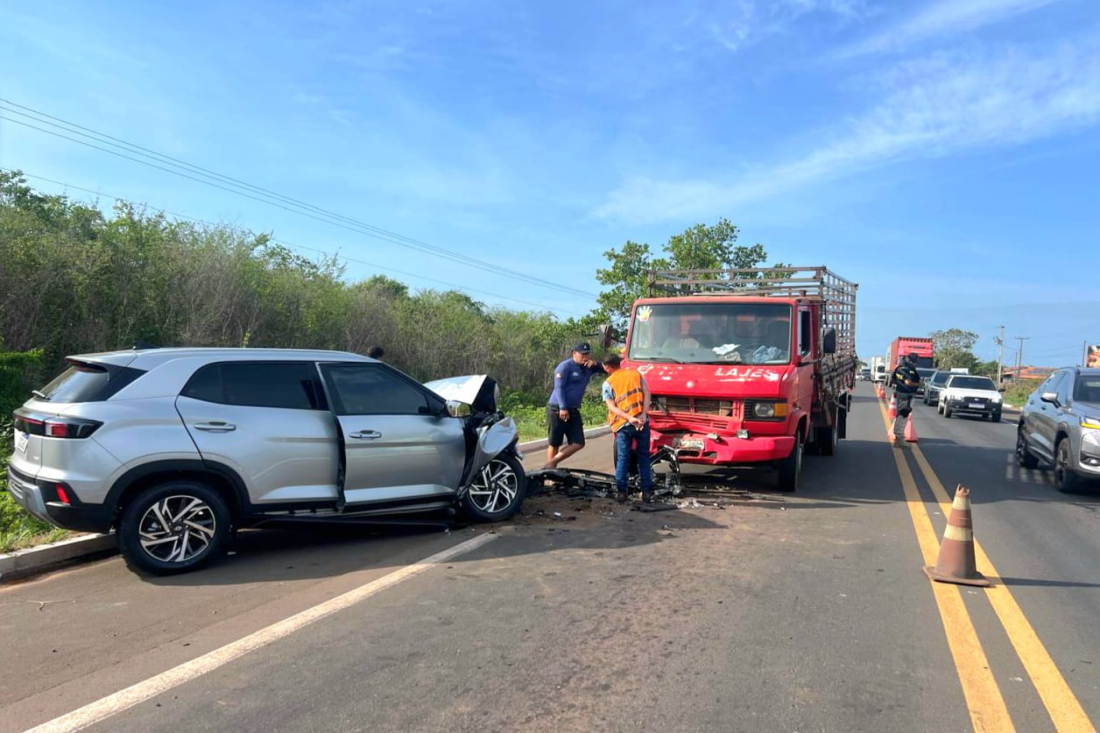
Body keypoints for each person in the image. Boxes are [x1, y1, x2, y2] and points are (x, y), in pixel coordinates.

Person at [602, 354, 653, 503]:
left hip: (623, 425)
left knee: (623, 458)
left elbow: (612, 407)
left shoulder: (609, 383)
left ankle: (622, 492)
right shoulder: (636, 374)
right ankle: (646, 492)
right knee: (643, 457)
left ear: (607, 367)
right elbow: (647, 393)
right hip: (642, 422)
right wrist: (643, 414)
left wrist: (629, 418)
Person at [545, 342, 604, 469]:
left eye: (587, 354)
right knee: (554, 442)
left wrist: (596, 364)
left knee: (578, 442)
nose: (585, 357)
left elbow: (607, 368)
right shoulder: (565, 367)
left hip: (573, 410)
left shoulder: (589, 367)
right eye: (582, 354)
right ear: (574, 354)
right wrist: (563, 407)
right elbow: (559, 388)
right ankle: (550, 473)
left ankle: (550, 464)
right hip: (557, 408)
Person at [890, 352, 922, 445]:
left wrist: (900, 383)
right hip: (907, 395)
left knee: (900, 414)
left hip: (900, 393)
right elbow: (908, 382)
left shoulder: (899, 368)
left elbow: (892, 380)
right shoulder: (910, 370)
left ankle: (898, 437)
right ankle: (899, 438)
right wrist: (919, 384)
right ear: (913, 361)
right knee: (903, 415)